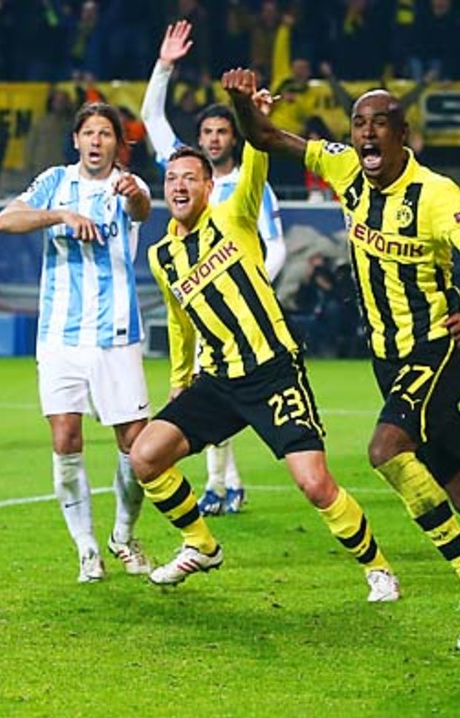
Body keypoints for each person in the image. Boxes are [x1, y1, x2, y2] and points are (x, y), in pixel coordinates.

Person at [223, 67, 460, 662]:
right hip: (387, 356)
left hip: (439, 345)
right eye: (359, 124)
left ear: (404, 134)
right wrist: (240, 104)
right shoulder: (345, 165)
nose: (366, 134)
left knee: (385, 450)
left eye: (379, 124)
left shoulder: (436, 193)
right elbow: (267, 139)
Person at [128, 119, 399, 601]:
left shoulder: (234, 216)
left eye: (191, 177)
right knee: (145, 456)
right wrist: (178, 380)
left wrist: (250, 115)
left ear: (210, 186)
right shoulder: (162, 255)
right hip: (217, 381)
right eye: (172, 179)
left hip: (273, 371)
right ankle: (200, 543)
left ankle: (378, 569)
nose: (180, 185)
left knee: (315, 484)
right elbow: (179, 320)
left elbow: (255, 158)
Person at [0, 102, 154, 583]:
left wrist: (132, 195)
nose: (97, 141)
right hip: (60, 336)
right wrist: (59, 215)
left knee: (137, 448)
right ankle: (86, 549)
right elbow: (6, 219)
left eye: (106, 134)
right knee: (66, 439)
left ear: (117, 144)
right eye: (90, 133)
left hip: (116, 336)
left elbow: (142, 208)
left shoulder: (129, 184)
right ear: (77, 139)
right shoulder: (54, 183)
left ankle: (123, 536)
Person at [141, 21, 288, 517]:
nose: (213, 138)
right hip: (200, 307)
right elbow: (151, 119)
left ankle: (226, 483)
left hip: (245, 308)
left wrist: (253, 283)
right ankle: (223, 483)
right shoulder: (187, 173)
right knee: (209, 391)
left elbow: (275, 245)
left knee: (224, 394)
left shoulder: (249, 184)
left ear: (232, 135)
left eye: (223, 130)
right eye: (206, 132)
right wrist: (164, 65)